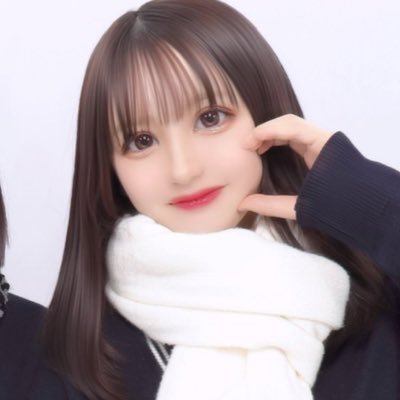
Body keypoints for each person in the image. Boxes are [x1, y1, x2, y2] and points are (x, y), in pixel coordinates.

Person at [6, 0, 396, 399]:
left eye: (210, 118)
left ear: (267, 114)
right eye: (142, 141)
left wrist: (369, 200)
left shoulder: (379, 297)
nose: (183, 169)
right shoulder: (77, 358)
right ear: (111, 169)